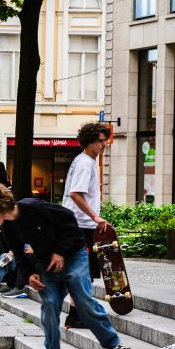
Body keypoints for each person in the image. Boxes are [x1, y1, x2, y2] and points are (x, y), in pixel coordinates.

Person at [0, 184, 129, 349]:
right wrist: (30, 274)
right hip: (46, 264)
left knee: (82, 299)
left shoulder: (34, 208)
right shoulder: (8, 227)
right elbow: (19, 254)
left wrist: (60, 252)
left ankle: (114, 344)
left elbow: (69, 222)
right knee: (49, 309)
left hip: (73, 255)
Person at [61, 122, 110, 329]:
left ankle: (75, 314)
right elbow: (75, 193)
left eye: (105, 140)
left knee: (84, 271)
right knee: (83, 270)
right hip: (79, 225)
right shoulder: (85, 163)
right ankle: (77, 314)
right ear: (89, 141)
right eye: (100, 140)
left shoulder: (85, 161)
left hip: (80, 224)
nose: (104, 144)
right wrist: (95, 217)